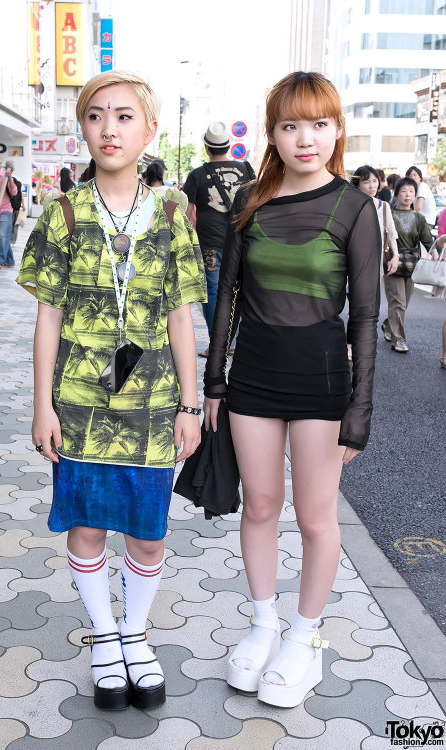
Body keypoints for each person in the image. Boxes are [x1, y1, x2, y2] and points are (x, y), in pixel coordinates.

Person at [17, 70, 206, 711]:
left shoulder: (175, 213)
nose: (109, 128)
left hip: (154, 403)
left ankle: (135, 635)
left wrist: (190, 402)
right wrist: (41, 404)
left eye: (125, 116)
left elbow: (182, 312)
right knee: (89, 527)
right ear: (82, 129)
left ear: (149, 130)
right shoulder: (61, 212)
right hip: (79, 401)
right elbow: (47, 315)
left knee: (148, 533)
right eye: (96, 116)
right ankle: (104, 638)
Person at [203, 71, 380, 709]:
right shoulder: (250, 199)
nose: (306, 138)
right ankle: (263, 625)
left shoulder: (355, 207)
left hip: (323, 380)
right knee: (259, 505)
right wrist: (214, 380)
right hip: (251, 375)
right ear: (273, 132)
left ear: (336, 129)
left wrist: (359, 410)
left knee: (314, 517)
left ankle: (304, 639)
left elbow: (364, 316)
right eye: (290, 125)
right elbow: (227, 295)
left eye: (319, 124)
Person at [183, 121, 255, 357]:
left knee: (213, 291)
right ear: (229, 145)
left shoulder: (197, 175)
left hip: (210, 244)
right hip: (242, 240)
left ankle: (218, 345)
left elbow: (185, 212)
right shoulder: (246, 169)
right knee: (240, 290)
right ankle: (233, 341)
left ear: (206, 148)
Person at [381, 176, 433, 353]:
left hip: (412, 265)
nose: (408, 194)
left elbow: (428, 241)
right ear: (396, 193)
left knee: (403, 303)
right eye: (404, 191)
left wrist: (436, 253)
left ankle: (388, 325)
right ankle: (399, 339)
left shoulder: (419, 218)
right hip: (392, 263)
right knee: (398, 302)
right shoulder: (389, 215)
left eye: (411, 191)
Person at [350, 165, 399, 276]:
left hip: (378, 260)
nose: (372, 186)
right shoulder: (350, 207)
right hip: (355, 261)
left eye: (375, 181)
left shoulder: (384, 206)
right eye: (366, 182)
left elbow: (392, 234)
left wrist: (396, 255)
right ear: (357, 185)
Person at [5, 161, 25, 245]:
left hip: (11, 205)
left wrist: (23, 204)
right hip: (15, 205)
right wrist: (23, 205)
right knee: (14, 225)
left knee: (9, 224)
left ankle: (9, 240)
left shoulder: (5, 179)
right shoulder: (18, 179)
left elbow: (19, 193)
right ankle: (11, 240)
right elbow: (21, 193)